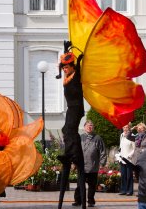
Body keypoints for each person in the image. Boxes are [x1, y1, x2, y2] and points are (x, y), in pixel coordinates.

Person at [56, 40, 86, 209]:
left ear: (73, 67)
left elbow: (78, 67)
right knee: (65, 129)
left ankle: (70, 155)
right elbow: (65, 60)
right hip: (71, 108)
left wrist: (80, 59)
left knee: (70, 129)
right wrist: (66, 49)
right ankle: (70, 153)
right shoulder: (67, 78)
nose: (64, 69)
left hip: (76, 108)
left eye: (67, 67)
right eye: (64, 68)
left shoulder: (76, 76)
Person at [72, 120, 107, 207]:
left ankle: (91, 201)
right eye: (88, 125)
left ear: (93, 127)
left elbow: (103, 152)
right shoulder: (80, 137)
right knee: (80, 185)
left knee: (92, 186)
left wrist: (102, 163)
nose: (89, 127)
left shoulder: (98, 138)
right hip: (81, 166)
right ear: (84, 127)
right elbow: (75, 151)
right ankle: (78, 200)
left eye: (91, 125)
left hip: (93, 166)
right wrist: (74, 163)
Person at [118, 123, 135, 196]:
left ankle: (129, 191)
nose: (125, 128)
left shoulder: (132, 136)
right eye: (124, 127)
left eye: (127, 127)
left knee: (129, 176)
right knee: (123, 175)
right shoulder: (121, 135)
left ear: (129, 128)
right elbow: (121, 146)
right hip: (122, 158)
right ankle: (123, 190)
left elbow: (134, 148)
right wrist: (119, 155)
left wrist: (129, 156)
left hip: (129, 159)